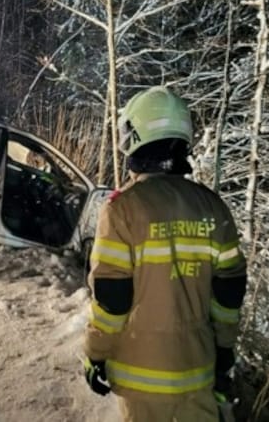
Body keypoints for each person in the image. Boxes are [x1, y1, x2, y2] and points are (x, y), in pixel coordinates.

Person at [82, 86, 247, 422]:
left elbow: (113, 300)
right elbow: (228, 297)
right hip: (198, 372)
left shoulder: (122, 209)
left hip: (140, 380)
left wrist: (94, 354)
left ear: (135, 136)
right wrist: (224, 352)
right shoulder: (213, 208)